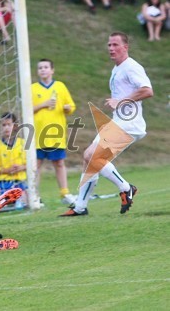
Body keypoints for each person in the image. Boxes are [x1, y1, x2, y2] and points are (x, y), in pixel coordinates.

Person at [60, 32, 153, 216]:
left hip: (129, 123)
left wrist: (121, 101)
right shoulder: (117, 68)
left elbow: (147, 90)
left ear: (125, 47)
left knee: (92, 156)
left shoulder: (131, 67)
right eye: (109, 45)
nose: (111, 48)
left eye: (115, 45)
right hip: (119, 121)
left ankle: (126, 188)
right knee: (89, 159)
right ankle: (80, 207)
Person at [32, 59, 76, 206]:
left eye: (46, 67)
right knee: (36, 164)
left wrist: (67, 108)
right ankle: (34, 196)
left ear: (52, 70)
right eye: (40, 68)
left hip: (56, 133)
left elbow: (71, 106)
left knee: (59, 163)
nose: (43, 70)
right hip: (37, 134)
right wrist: (43, 105)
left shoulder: (60, 86)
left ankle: (64, 193)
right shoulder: (32, 88)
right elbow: (27, 109)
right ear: (38, 71)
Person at [0, 112, 28, 206]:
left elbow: (31, 163)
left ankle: (19, 200)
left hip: (20, 182)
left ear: (15, 126)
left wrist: (21, 167)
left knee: (27, 199)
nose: (6, 127)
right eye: (4, 125)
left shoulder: (23, 143)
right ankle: (9, 201)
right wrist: (7, 170)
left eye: (9, 124)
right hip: (3, 183)